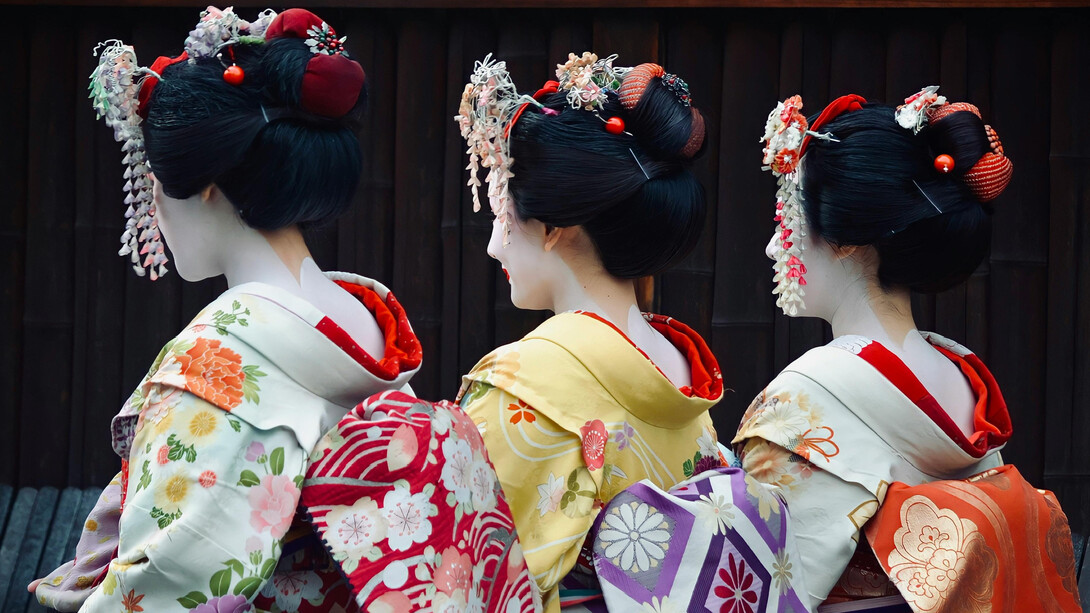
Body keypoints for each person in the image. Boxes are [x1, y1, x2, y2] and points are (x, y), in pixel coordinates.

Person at [31, 8, 424, 611]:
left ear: (208, 183)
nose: (155, 204)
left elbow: (174, 571)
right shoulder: (367, 315)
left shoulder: (218, 359)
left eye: (155, 179)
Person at [734, 88, 1080, 611]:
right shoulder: (959, 373)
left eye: (788, 219)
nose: (773, 245)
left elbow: (754, 587)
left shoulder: (803, 398)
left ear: (849, 239)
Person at [453, 53, 726, 611]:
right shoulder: (680, 369)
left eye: (504, 211)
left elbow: (468, 571)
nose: (493, 244)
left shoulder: (528, 379)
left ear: (555, 228)